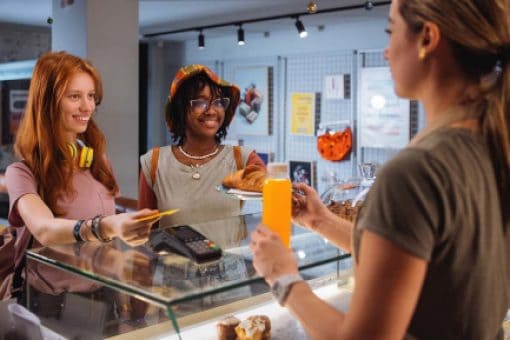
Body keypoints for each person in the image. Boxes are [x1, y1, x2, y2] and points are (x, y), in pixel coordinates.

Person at [250, 0, 510, 339]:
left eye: (390, 31)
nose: (386, 52)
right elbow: (417, 261)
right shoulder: (492, 147)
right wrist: (320, 220)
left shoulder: (416, 171)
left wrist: (282, 278)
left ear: (427, 39)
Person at [4, 51, 160, 299]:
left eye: (91, 96)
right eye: (75, 96)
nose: (87, 107)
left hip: (103, 295)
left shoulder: (99, 161)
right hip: (48, 304)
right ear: (47, 103)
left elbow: (108, 213)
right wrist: (106, 226)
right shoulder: (21, 173)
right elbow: (44, 229)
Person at [138, 64, 265, 227]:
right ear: (180, 109)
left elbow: (275, 193)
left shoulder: (243, 159)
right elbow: (145, 234)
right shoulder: (154, 163)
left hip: (229, 253)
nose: (212, 111)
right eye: (200, 102)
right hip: (172, 254)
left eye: (219, 102)